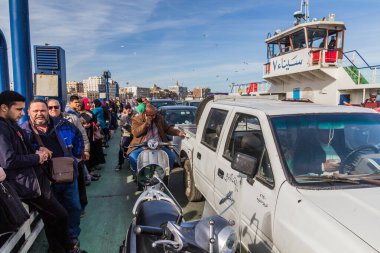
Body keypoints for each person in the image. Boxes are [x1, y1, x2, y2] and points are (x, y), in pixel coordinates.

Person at [0, 91, 72, 253]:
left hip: (33, 180)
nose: (22, 113)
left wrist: (38, 149)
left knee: (53, 217)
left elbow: (21, 148)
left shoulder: (11, 125)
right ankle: (65, 248)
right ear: (4, 108)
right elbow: (8, 160)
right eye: (18, 109)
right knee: (60, 215)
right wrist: (37, 157)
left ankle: (60, 249)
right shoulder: (2, 128)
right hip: (25, 184)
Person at [20, 99, 85, 253]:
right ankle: (58, 244)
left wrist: (74, 159)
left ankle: (72, 239)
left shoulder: (62, 124)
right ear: (29, 112)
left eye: (43, 110)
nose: (39, 114)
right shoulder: (24, 131)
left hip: (68, 174)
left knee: (73, 207)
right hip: (44, 179)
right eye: (35, 111)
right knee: (53, 214)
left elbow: (78, 139)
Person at [127, 104, 186, 172]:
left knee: (171, 156)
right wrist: (146, 124)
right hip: (142, 145)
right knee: (133, 157)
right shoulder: (137, 119)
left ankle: (166, 174)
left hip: (159, 144)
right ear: (145, 113)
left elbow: (167, 128)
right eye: (151, 115)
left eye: (155, 114)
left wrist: (178, 132)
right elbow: (135, 133)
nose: (154, 117)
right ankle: (139, 173)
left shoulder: (159, 118)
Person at [115, 103, 133, 171]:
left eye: (129, 109)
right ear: (124, 110)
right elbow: (126, 127)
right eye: (127, 109)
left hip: (136, 135)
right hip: (127, 135)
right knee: (122, 149)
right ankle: (120, 164)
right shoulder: (123, 117)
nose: (129, 110)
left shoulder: (135, 116)